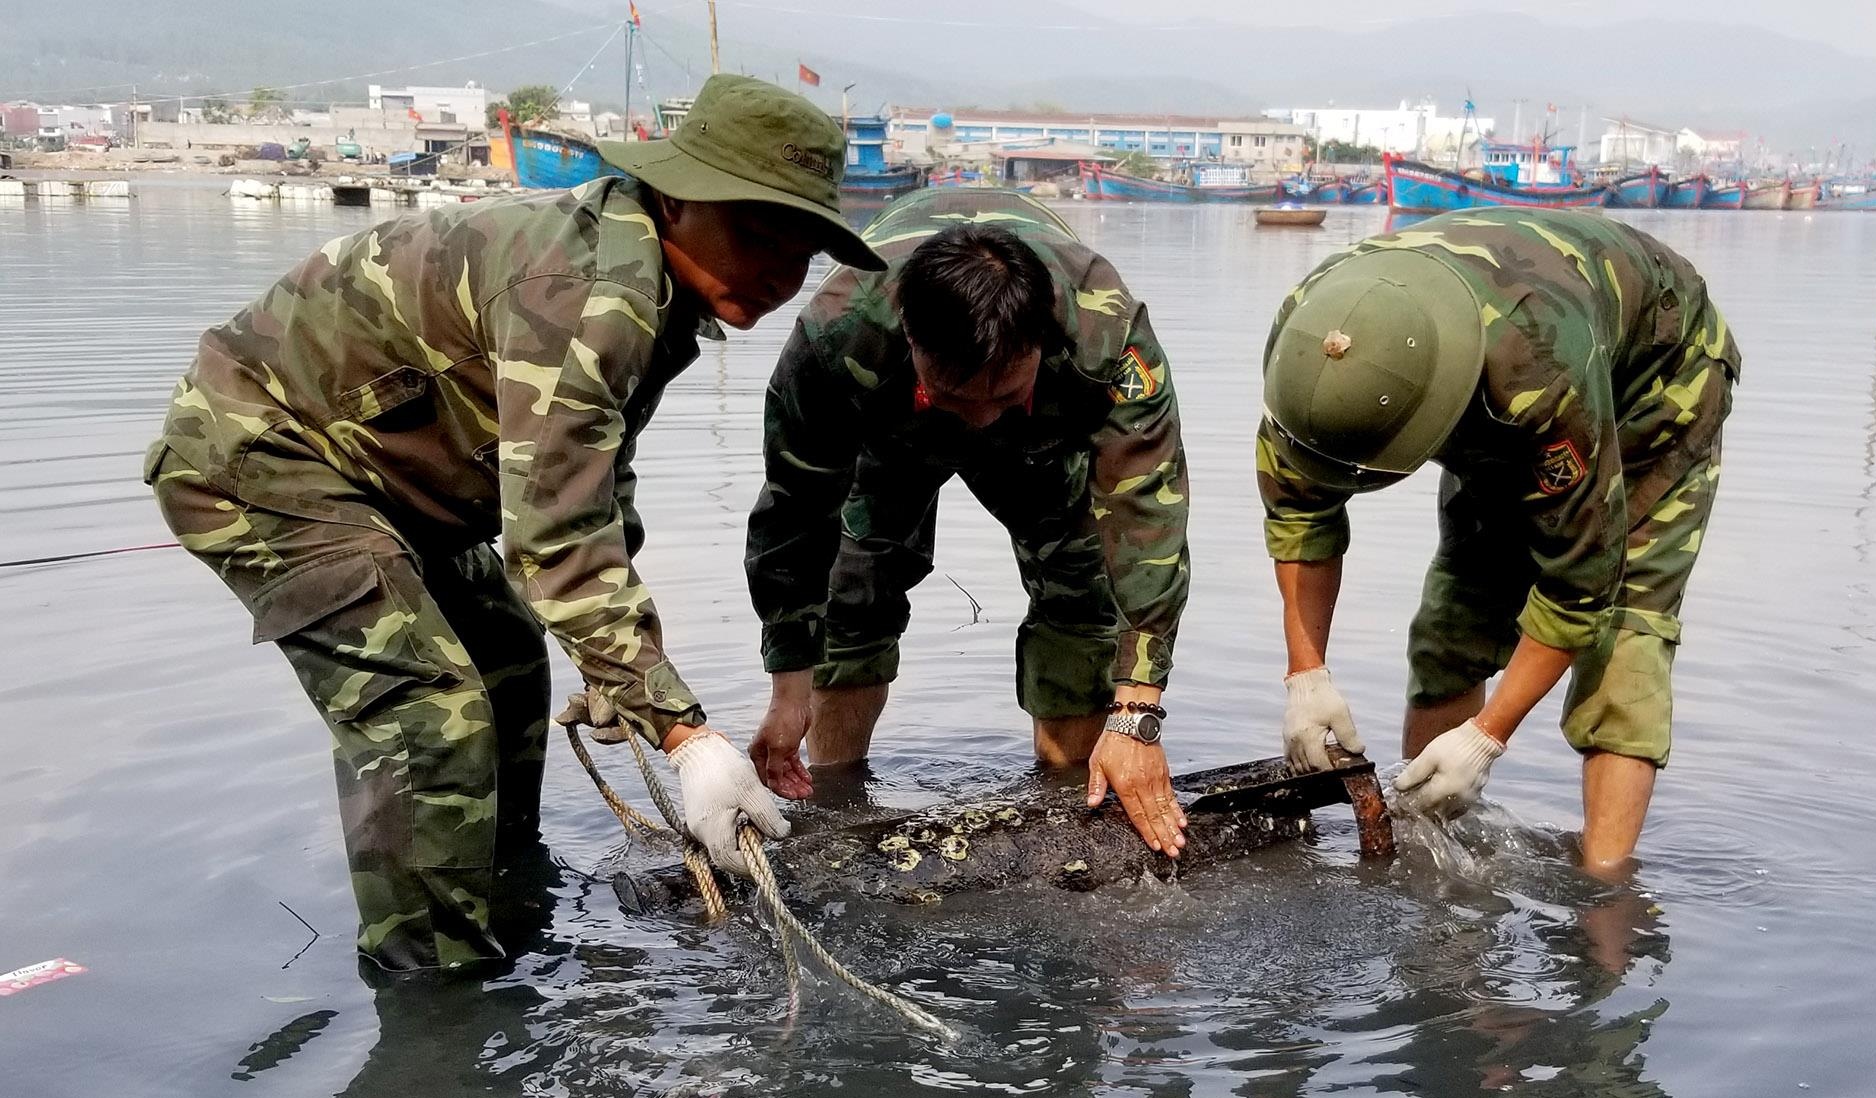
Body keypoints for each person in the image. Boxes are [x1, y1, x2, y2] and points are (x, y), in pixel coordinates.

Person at [142, 75, 888, 974]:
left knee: (507, 657)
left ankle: (499, 894)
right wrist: (685, 733)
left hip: (399, 481)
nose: (780, 271)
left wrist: (621, 670)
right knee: (431, 712)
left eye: (801, 246)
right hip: (265, 458)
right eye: (759, 231)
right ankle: (433, 985)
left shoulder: (647, 276)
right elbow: (556, 539)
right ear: (680, 197)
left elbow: (594, 481)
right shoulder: (591, 291)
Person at [1257, 209, 1739, 872]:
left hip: (1653, 385)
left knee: (1625, 634)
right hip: (1476, 361)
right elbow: (1298, 512)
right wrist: (1305, 675)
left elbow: (1580, 582)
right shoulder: (1312, 345)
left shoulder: (1538, 372)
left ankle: (1606, 898)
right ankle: (1424, 854)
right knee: (1456, 613)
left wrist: (1488, 737)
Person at [744, 189, 1192, 857]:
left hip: (1046, 428)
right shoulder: (839, 335)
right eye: (958, 396)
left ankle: (1073, 813)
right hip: (894, 421)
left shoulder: (1108, 337)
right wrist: (788, 683)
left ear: (1042, 339)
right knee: (854, 586)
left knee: (1081, 590)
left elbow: (1147, 525)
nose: (979, 419)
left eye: (999, 395)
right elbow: (796, 511)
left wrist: (1138, 714)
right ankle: (835, 815)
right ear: (910, 335)